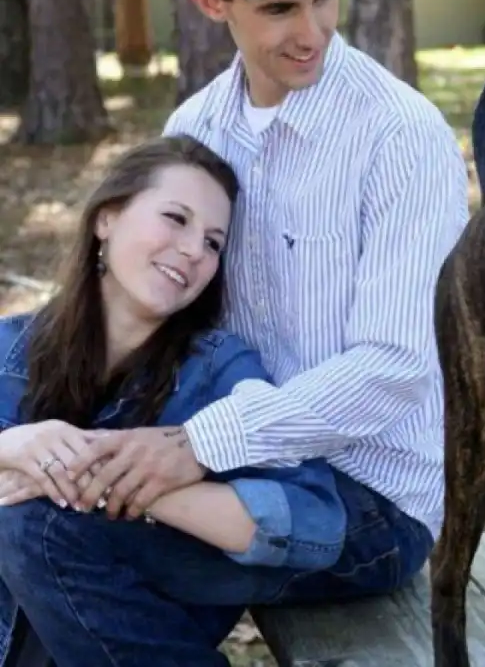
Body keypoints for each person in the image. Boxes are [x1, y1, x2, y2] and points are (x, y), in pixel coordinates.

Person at [1, 0, 470, 660]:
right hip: (205, 458)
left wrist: (199, 446)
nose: (312, 32)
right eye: (280, 6)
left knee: (41, 532)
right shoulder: (198, 127)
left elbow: (394, 367)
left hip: (366, 498)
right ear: (210, 0)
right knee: (42, 520)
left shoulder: (401, 136)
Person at [0, 135, 348, 666]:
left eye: (213, 243)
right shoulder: (10, 348)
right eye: (175, 218)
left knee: (30, 520)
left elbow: (316, 523)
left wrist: (125, 482)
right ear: (107, 219)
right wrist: (14, 446)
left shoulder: (218, 369)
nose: (193, 251)